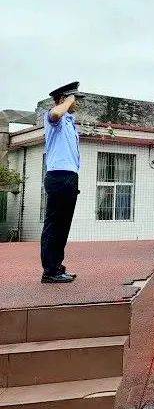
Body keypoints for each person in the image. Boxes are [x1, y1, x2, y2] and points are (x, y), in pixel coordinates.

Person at [41, 82, 85, 284]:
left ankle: (56, 266)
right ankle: (49, 271)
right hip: (58, 176)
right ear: (63, 99)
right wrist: (67, 101)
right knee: (54, 225)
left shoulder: (69, 122)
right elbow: (55, 114)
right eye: (74, 99)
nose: (76, 103)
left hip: (69, 176)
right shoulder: (54, 117)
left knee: (63, 226)